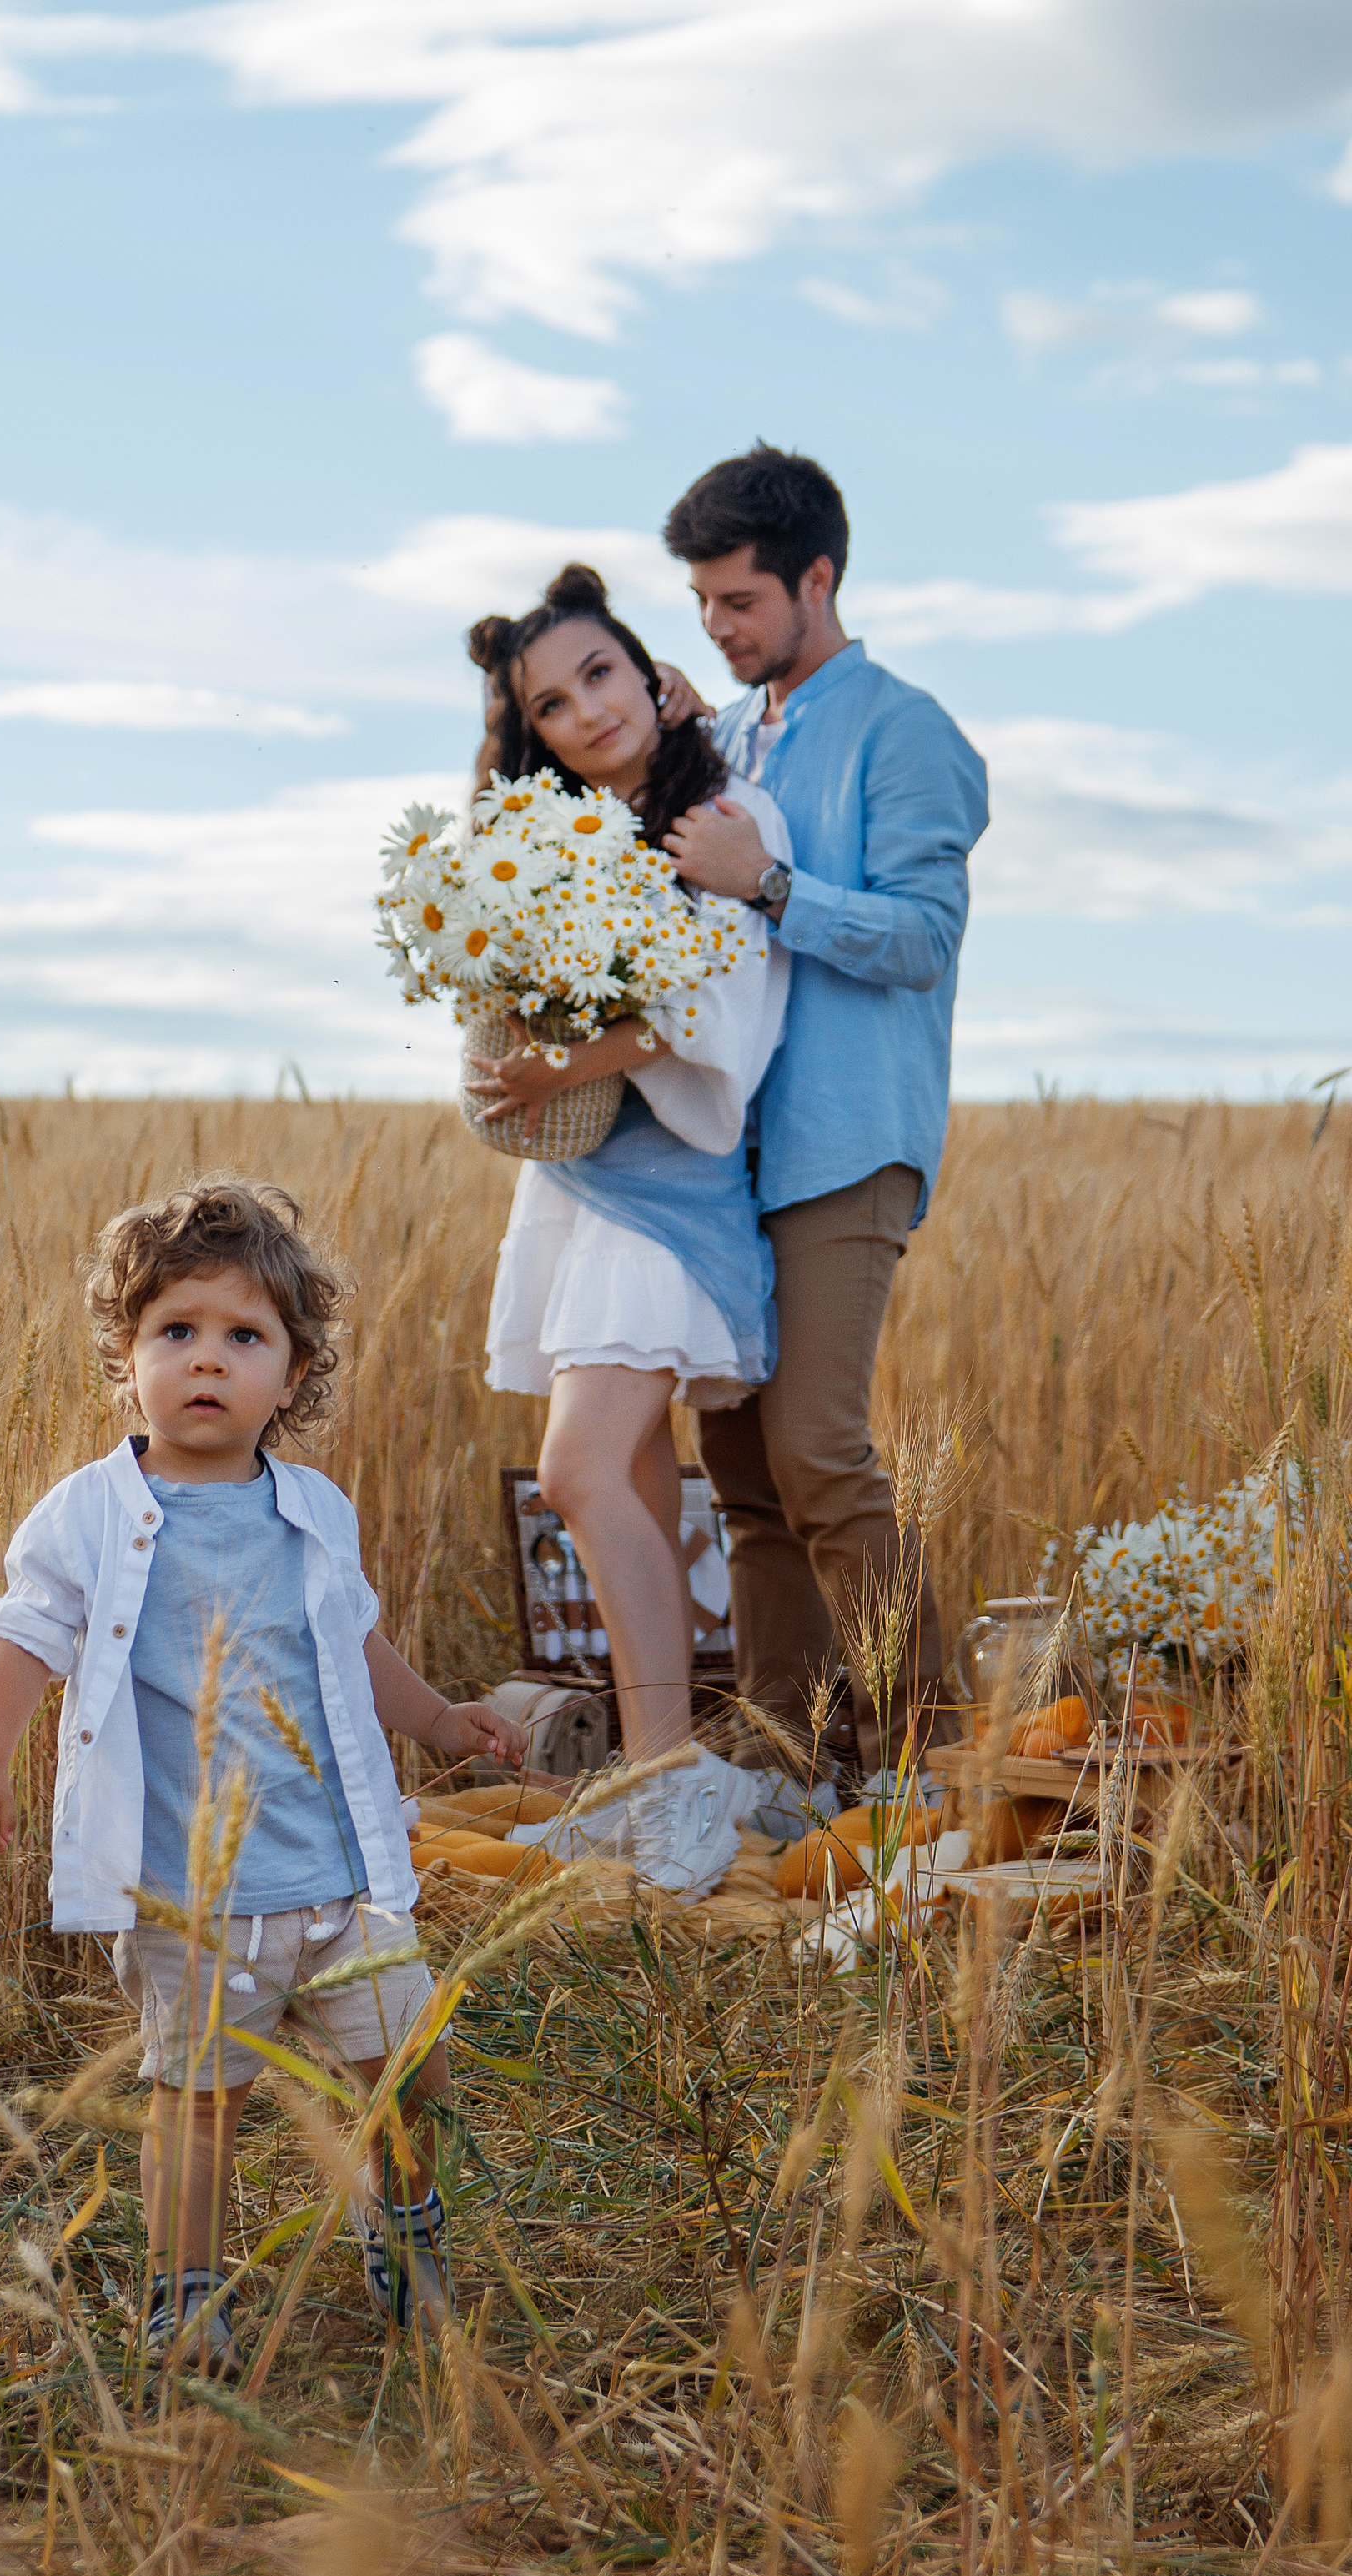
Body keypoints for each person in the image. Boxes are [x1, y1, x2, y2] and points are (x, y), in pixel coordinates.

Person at [0, 1178, 524, 2380]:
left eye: (245, 1337)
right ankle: (185, 2298)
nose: (208, 1360)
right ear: (128, 1359)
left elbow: (353, 1643)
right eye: (177, 1332)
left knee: (410, 2073)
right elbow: (25, 1637)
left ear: (295, 1376)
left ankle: (405, 2230)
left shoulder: (312, 1510)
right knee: (199, 2104)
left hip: (342, 1880)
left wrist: (437, 1721)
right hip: (191, 1895)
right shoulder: (91, 1516)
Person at [658, 444, 989, 1775]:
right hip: (722, 1148)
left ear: (818, 578)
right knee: (742, 1468)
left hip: (847, 1140)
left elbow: (922, 936)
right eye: (702, 605)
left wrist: (771, 884)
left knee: (817, 1450)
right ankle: (784, 1759)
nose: (719, 627)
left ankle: (931, 1756)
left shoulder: (909, 732)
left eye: (740, 601)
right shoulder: (732, 735)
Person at [465, 563, 789, 1790]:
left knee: (578, 1468)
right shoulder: (558, 842)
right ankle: (667, 1767)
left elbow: (716, 997)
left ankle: (665, 1779)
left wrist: (564, 1064)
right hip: (581, 1185)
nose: (586, 710)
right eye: (550, 704)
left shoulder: (724, 814)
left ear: (648, 672)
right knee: (639, 1482)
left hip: (673, 1192)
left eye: (600, 672)